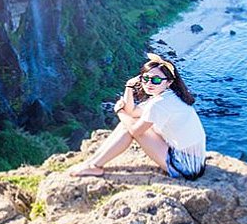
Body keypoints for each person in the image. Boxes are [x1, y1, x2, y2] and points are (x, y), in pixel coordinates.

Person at [70, 53, 206, 180]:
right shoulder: (169, 95)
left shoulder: (160, 104)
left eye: (156, 80)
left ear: (169, 82)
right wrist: (129, 87)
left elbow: (135, 130)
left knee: (128, 126)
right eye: (145, 79)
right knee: (129, 123)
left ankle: (94, 165)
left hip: (185, 167)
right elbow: (133, 112)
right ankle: (93, 163)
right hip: (195, 163)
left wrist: (120, 112)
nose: (149, 83)